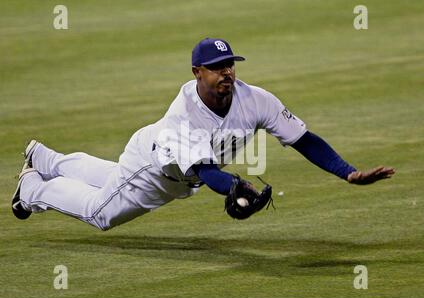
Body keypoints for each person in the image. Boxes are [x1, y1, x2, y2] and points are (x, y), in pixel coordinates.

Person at [12, 38, 395, 230]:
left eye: (230, 64)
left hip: (179, 176)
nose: (227, 72)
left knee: (108, 179)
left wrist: (347, 171)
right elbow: (208, 171)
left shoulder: (255, 99)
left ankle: (46, 158)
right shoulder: (185, 115)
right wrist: (233, 186)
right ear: (197, 71)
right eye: (216, 67)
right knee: (101, 212)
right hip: (151, 168)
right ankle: (31, 189)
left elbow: (303, 139)